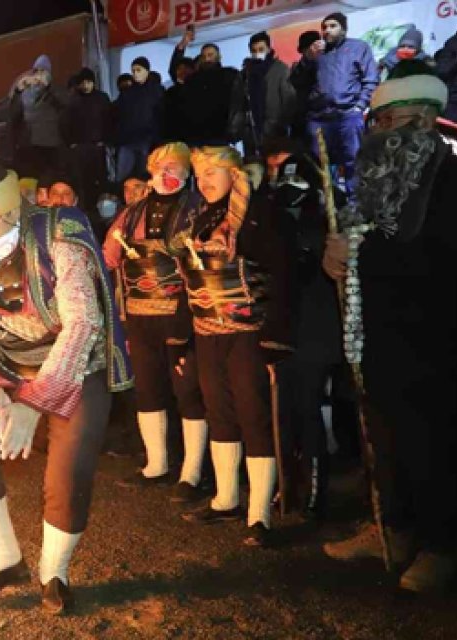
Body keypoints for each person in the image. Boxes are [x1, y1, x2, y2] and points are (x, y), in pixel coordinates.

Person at [0, 163, 131, 614]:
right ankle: (6, 561)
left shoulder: (60, 233)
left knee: (67, 471)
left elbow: (83, 324)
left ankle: (54, 573)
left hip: (75, 367)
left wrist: (34, 405)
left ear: (12, 210)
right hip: (9, 370)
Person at [321, 62, 457, 592]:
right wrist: (336, 254)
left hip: (438, 336)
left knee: (436, 442)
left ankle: (444, 542)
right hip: (376, 336)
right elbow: (353, 244)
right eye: (386, 122)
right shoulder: (368, 183)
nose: (397, 133)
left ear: (433, 121)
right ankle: (394, 526)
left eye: (410, 121)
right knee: (385, 438)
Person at [171, 147, 293, 548]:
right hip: (208, 334)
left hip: (248, 332)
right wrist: (185, 340)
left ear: (235, 175)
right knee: (219, 411)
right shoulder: (200, 217)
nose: (203, 181)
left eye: (212, 172)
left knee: (252, 413)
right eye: (199, 174)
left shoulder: (259, 215)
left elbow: (284, 272)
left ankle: (259, 515)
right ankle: (226, 498)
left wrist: (274, 336)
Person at [102, 144, 209, 500]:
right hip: (139, 315)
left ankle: (192, 472)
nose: (167, 173)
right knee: (147, 389)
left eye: (175, 166)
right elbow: (111, 255)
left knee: (187, 391)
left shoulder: (197, 207)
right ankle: (156, 465)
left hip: (183, 313)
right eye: (161, 166)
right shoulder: (133, 213)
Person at [262, 142, 341, 521]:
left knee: (310, 410)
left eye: (289, 171)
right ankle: (289, 488)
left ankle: (314, 492)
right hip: (283, 323)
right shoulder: (276, 212)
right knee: (285, 410)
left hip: (315, 325)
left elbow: (317, 267)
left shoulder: (325, 213)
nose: (282, 179)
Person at [294, 13, 379, 193]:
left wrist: (360, 106)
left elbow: (371, 79)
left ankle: (354, 208)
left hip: (348, 114)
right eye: (324, 27)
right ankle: (327, 207)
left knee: (353, 161)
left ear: (344, 29)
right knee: (319, 165)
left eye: (333, 26)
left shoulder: (358, 48)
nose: (327, 30)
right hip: (319, 118)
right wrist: (308, 58)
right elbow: (296, 82)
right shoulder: (316, 52)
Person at [169, 30, 240, 146]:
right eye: (204, 56)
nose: (207, 59)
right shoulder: (194, 79)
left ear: (219, 56)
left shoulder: (229, 75)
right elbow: (176, 73)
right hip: (197, 136)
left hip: (221, 134)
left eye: (210, 55)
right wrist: (182, 45)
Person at [232, 32, 297, 155]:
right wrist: (237, 127)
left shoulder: (280, 69)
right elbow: (238, 103)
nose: (257, 53)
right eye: (254, 50)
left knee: (274, 167)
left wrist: (281, 123)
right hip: (251, 132)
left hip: (275, 131)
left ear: (269, 48)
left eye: (261, 49)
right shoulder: (244, 74)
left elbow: (289, 100)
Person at [9, 55, 70, 179]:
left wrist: (48, 87)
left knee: (49, 180)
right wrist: (18, 91)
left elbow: (65, 104)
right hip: (29, 145)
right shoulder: (25, 93)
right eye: (37, 71)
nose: (39, 75)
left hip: (50, 146)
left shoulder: (55, 90)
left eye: (43, 71)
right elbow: (13, 114)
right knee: (31, 180)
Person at [64, 68, 111, 208]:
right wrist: (71, 142)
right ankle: (86, 207)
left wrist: (106, 140)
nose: (85, 86)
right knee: (83, 179)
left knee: (101, 177)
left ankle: (103, 207)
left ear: (93, 82)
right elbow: (66, 122)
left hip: (98, 145)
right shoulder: (74, 101)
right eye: (83, 83)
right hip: (80, 146)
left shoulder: (102, 98)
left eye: (88, 82)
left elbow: (109, 119)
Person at [114, 57, 164, 184]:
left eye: (139, 70)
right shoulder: (127, 93)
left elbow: (161, 115)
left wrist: (157, 138)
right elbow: (117, 115)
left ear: (147, 71)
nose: (136, 73)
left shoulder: (157, 91)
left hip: (148, 140)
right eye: (133, 71)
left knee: (146, 175)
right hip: (128, 140)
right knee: (124, 177)